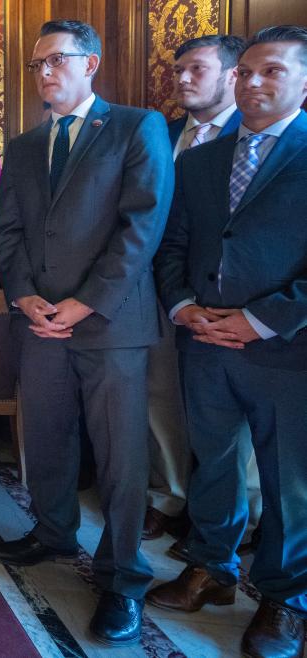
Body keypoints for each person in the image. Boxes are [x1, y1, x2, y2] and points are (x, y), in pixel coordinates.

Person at [0, 20, 174, 646]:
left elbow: (140, 227)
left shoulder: (134, 126)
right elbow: (7, 234)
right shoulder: (22, 147)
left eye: (57, 61)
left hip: (110, 324)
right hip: (38, 320)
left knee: (121, 457)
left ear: (90, 64)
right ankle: (52, 531)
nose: (45, 73)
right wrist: (24, 295)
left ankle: (123, 578)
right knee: (45, 437)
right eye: (37, 64)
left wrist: (84, 303)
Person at [147, 26, 307, 658]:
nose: (255, 83)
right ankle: (211, 569)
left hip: (285, 349)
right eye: (247, 73)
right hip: (203, 340)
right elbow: (174, 245)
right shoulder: (201, 159)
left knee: (288, 480)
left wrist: (262, 319)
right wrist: (184, 306)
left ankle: (284, 600)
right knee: (211, 463)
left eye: (272, 71)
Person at [144, 34, 252, 545]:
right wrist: (175, 297)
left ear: (233, 74)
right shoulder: (159, 135)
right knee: (163, 400)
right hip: (164, 293)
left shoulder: (258, 137)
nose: (182, 78)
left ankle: (243, 519)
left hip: (237, 305)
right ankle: (170, 497)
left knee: (238, 428)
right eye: (179, 69)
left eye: (197, 69)